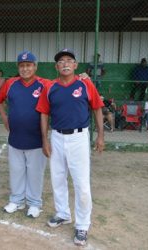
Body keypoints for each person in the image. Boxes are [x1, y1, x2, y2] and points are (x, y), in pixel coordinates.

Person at [37, 48, 104, 246]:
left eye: (69, 60)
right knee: (58, 178)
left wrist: (100, 135)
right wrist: (45, 139)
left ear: (75, 65)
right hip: (57, 136)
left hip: (79, 138)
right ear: (56, 67)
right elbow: (43, 113)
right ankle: (63, 213)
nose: (65, 63)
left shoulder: (85, 84)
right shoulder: (50, 87)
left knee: (81, 183)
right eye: (61, 61)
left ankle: (82, 225)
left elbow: (97, 108)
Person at [0, 50, 50, 218]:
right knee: (17, 170)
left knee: (35, 173)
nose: (25, 69)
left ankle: (34, 203)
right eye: (22, 65)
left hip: (36, 138)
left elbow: (64, 83)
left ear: (35, 66)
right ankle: (17, 200)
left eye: (28, 65)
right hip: (15, 137)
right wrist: (5, 118)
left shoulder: (44, 84)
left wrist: (82, 78)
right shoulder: (11, 83)